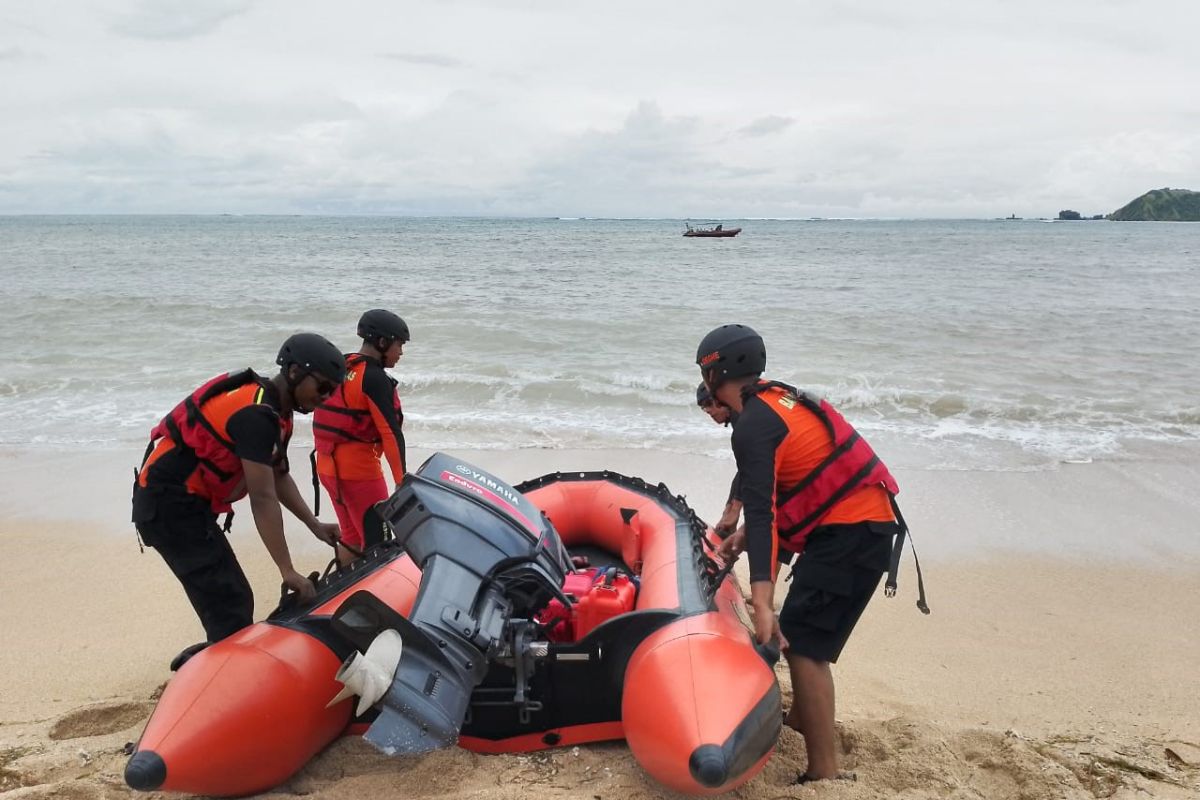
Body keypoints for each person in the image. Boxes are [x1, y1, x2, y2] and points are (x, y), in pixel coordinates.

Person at [696, 323, 926, 784]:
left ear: (715, 372)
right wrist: (740, 536)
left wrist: (761, 602)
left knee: (804, 645)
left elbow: (764, 516)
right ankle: (802, 721)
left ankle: (824, 772)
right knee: (802, 628)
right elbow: (777, 496)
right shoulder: (771, 404)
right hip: (854, 528)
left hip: (852, 533)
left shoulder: (755, 422)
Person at [132, 333, 346, 660]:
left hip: (187, 504)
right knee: (231, 602)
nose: (327, 397)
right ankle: (218, 673)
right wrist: (287, 570)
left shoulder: (277, 410)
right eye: (322, 388)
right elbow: (262, 497)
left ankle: (214, 656)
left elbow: (278, 474)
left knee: (229, 598)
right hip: (167, 506)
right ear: (293, 373)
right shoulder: (257, 415)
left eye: (332, 390)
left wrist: (314, 525)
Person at [312, 309, 409, 564]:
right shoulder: (374, 379)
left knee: (352, 538)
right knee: (380, 545)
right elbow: (390, 433)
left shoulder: (341, 366)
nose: (401, 352)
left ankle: (341, 592)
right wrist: (402, 481)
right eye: (399, 344)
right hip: (359, 474)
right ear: (382, 342)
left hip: (327, 468)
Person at [696, 381, 743, 536]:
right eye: (703, 407)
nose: (708, 410)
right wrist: (728, 509)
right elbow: (743, 470)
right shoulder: (741, 414)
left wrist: (734, 511)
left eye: (709, 403)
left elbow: (749, 470)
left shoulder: (743, 422)